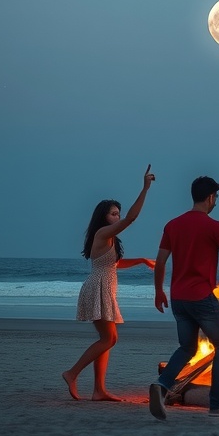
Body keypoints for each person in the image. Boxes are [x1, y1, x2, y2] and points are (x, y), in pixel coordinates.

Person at [149, 176, 219, 420]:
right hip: (201, 296)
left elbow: (160, 262)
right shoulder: (213, 226)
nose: (216, 202)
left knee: (187, 347)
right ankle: (217, 404)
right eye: (216, 198)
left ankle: (162, 384)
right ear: (210, 197)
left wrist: (159, 291)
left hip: (178, 298)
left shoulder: (172, 225)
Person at [62, 165, 155, 401]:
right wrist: (145, 188)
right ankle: (72, 373)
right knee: (109, 339)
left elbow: (114, 265)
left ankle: (98, 390)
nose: (118, 217)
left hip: (104, 287)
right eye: (114, 213)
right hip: (98, 288)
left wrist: (142, 260)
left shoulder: (110, 239)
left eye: (118, 213)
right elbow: (133, 218)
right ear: (104, 217)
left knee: (107, 340)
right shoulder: (103, 233)